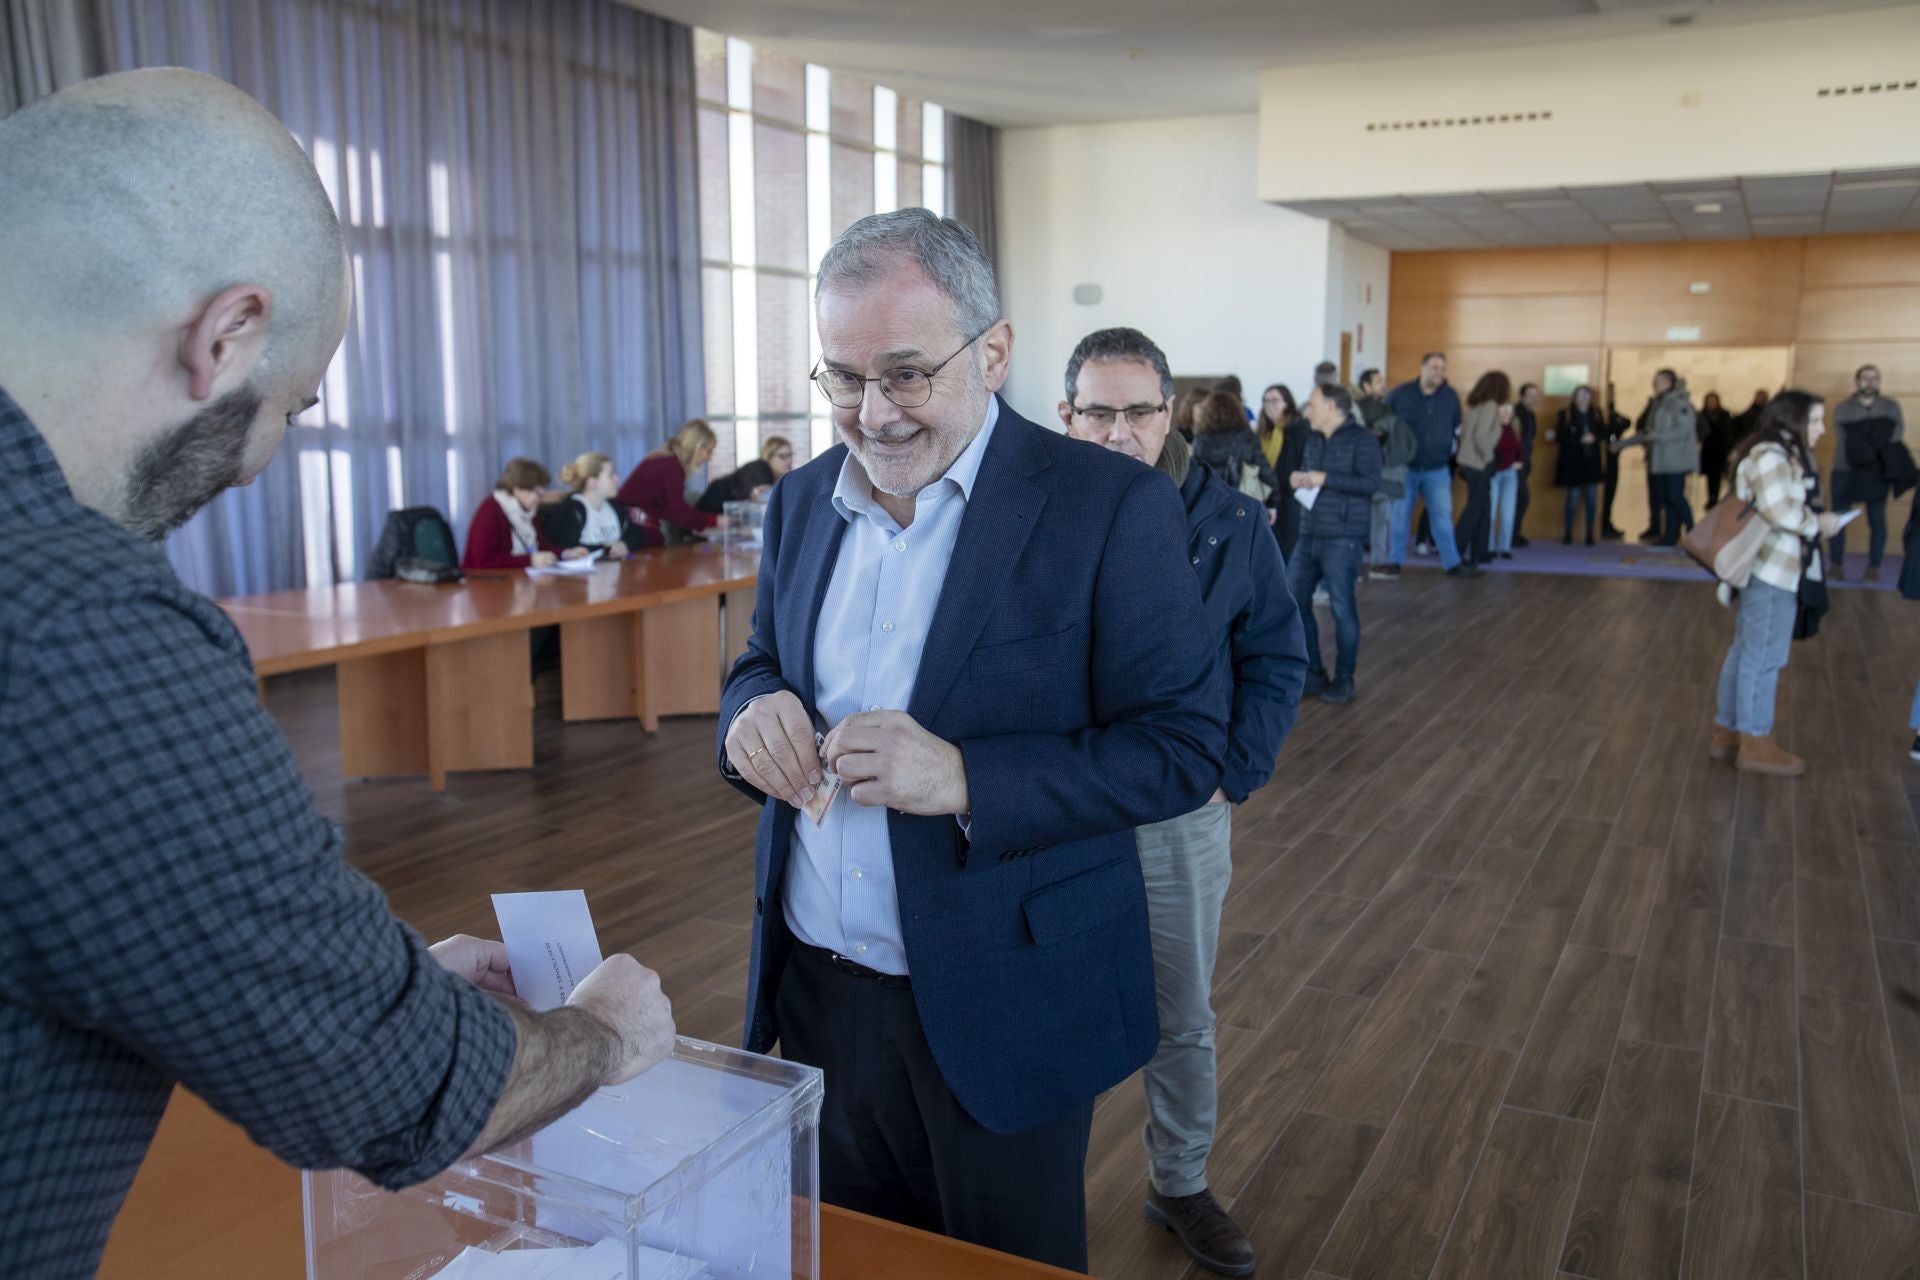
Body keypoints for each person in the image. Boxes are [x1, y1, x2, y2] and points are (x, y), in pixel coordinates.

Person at [0, 69, 675, 1279]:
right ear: (227, 334)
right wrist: (598, 1036)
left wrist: (367, 970)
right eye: (294, 408)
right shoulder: (80, 623)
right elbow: (392, 1092)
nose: (260, 465)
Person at [716, 209, 1227, 1273]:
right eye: (842, 377)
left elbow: (1182, 745)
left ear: (993, 352)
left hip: (1007, 998)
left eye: (905, 373)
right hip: (815, 994)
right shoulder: (804, 499)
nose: (870, 413)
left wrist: (964, 775)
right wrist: (748, 711)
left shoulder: (1110, 505)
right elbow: (759, 659)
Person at [1058, 327, 1305, 1278]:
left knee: (1179, 1010)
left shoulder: (1231, 526)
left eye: (1139, 411)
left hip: (1174, 813)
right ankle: (1039, 1188)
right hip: (1056, 808)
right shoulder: (1026, 522)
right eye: (1098, 412)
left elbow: (1277, 659)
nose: (1119, 432)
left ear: (1171, 414)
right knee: (1045, 1005)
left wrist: (1224, 773)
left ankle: (1181, 1179)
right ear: (1067, 414)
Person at [1709, 391, 1843, 777]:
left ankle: (1729, 731)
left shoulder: (1780, 454)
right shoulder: (1772, 456)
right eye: (1815, 420)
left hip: (1771, 568)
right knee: (1763, 656)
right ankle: (1754, 739)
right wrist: (1822, 523)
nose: (1821, 429)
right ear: (1794, 420)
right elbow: (1781, 510)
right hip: (1770, 570)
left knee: (1748, 650)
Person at [1286, 384, 1383, 702]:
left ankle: (1344, 679)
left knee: (1342, 608)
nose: (1306, 410)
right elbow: (1311, 477)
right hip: (1309, 532)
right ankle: (1313, 674)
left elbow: (1371, 483)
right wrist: (1301, 479)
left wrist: (1323, 478)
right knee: (1294, 602)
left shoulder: (1363, 439)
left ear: (1332, 406)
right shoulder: (1313, 439)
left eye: (1312, 403)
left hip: (1344, 538)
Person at [1386, 352, 1469, 575]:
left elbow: (1456, 426)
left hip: (1437, 467)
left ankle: (1452, 563)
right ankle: (1394, 561)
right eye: (1434, 367)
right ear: (1422, 368)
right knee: (1399, 516)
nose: (1439, 372)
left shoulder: (1450, 396)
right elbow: (1384, 424)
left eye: (1442, 368)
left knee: (1442, 516)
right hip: (1405, 467)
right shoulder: (1401, 394)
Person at [1830, 364, 1907, 582]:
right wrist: (1876, 433)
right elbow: (1845, 439)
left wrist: (1867, 437)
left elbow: (1896, 433)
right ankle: (1836, 564)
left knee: (1877, 520)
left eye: (1875, 378)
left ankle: (1874, 566)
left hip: (1877, 471)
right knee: (1839, 517)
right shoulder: (1843, 407)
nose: (1870, 382)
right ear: (1857, 381)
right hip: (1845, 469)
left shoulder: (1890, 406)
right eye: (1866, 378)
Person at [1619, 369, 1698, 547]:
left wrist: (1658, 436)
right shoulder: (1658, 404)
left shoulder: (1679, 402)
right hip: (1661, 459)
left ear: (1669, 383)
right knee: (1668, 499)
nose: (1655, 384)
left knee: (1675, 496)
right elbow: (1646, 431)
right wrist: (1622, 444)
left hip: (1675, 459)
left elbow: (1683, 429)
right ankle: (1670, 536)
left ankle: (1695, 532)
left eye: (1659, 381)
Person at [463, 458, 579, 571]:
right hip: (483, 585)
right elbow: (483, 562)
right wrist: (529, 561)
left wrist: (566, 553)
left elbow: (542, 546)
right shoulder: (490, 512)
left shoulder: (526, 510)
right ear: (517, 490)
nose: (542, 496)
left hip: (515, 581)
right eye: (536, 491)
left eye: (543, 489)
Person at [617, 419, 721, 543]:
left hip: (634, 521)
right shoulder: (671, 467)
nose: (710, 457)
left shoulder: (667, 460)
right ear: (696, 446)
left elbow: (672, 509)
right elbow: (679, 513)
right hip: (635, 526)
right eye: (708, 451)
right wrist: (715, 520)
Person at [1355, 368, 1413, 580]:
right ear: (1366, 386)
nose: (1383, 384)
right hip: (1369, 470)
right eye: (1378, 381)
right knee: (1370, 519)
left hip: (1379, 469)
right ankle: (1368, 564)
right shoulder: (1360, 409)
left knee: (1378, 518)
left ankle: (1373, 563)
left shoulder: (1385, 408)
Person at [543, 452, 657, 557]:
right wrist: (607, 549)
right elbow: (567, 547)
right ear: (592, 481)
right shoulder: (570, 510)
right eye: (610, 474)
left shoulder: (615, 506)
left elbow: (638, 536)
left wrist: (623, 544)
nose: (617, 479)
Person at [1192, 390, 1280, 517]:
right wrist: (1272, 504)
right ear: (1237, 411)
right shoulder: (1247, 437)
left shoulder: (1201, 440)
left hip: (1210, 505)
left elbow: (1195, 475)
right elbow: (1265, 471)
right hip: (1242, 504)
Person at [1455, 372, 1509, 569]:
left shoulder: (1474, 406)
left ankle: (1480, 551)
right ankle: (1457, 551)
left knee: (1483, 507)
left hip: (1468, 462)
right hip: (1479, 463)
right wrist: (1489, 459)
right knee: (1475, 510)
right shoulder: (1490, 406)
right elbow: (1481, 437)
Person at [1550, 385, 1607, 545]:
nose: (1583, 398)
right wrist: (1579, 439)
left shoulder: (1596, 414)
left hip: (1592, 463)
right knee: (1572, 500)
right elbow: (1560, 437)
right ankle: (1568, 532)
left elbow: (1603, 433)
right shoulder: (1566, 414)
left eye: (1587, 395)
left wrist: (1594, 437)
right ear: (1574, 397)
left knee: (1591, 500)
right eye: (1580, 395)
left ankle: (1590, 532)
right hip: (1573, 463)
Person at [698, 435, 796, 514]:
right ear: (768, 456)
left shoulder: (778, 479)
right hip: (713, 509)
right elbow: (759, 502)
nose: (789, 460)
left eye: (791, 455)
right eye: (783, 456)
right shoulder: (761, 470)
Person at [1490, 395, 1524, 560]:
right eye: (1502, 409)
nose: (1505, 412)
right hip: (1493, 474)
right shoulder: (1490, 428)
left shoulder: (1515, 428)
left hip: (1510, 474)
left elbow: (1520, 452)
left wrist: (1519, 462)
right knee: (1490, 511)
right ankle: (1488, 546)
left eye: (1508, 409)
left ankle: (1504, 547)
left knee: (1508, 512)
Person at [1697, 392, 1740, 507]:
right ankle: (1711, 497)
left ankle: (1718, 498)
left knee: (1719, 476)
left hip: (1720, 450)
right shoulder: (1702, 415)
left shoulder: (1724, 415)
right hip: (1708, 450)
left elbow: (1728, 433)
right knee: (1710, 477)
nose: (1711, 403)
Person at [1600, 384, 1631, 540]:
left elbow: (1626, 422)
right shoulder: (1599, 413)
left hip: (1612, 459)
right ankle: (1601, 523)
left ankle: (1606, 522)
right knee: (1603, 493)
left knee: (1610, 492)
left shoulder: (1612, 412)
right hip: (1600, 459)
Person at [1512, 382, 1541, 546]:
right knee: (1522, 498)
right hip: (1515, 463)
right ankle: (1512, 534)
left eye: (1535, 396)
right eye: (1529, 396)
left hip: (1525, 462)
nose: (1533, 399)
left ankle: (1515, 533)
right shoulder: (1516, 413)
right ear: (1522, 396)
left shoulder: (1531, 415)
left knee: (1520, 499)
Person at [1256, 383, 1298, 470]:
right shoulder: (1260, 432)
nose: (1270, 404)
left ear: (1287, 403)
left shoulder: (1295, 430)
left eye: (1275, 400)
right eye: (1266, 401)